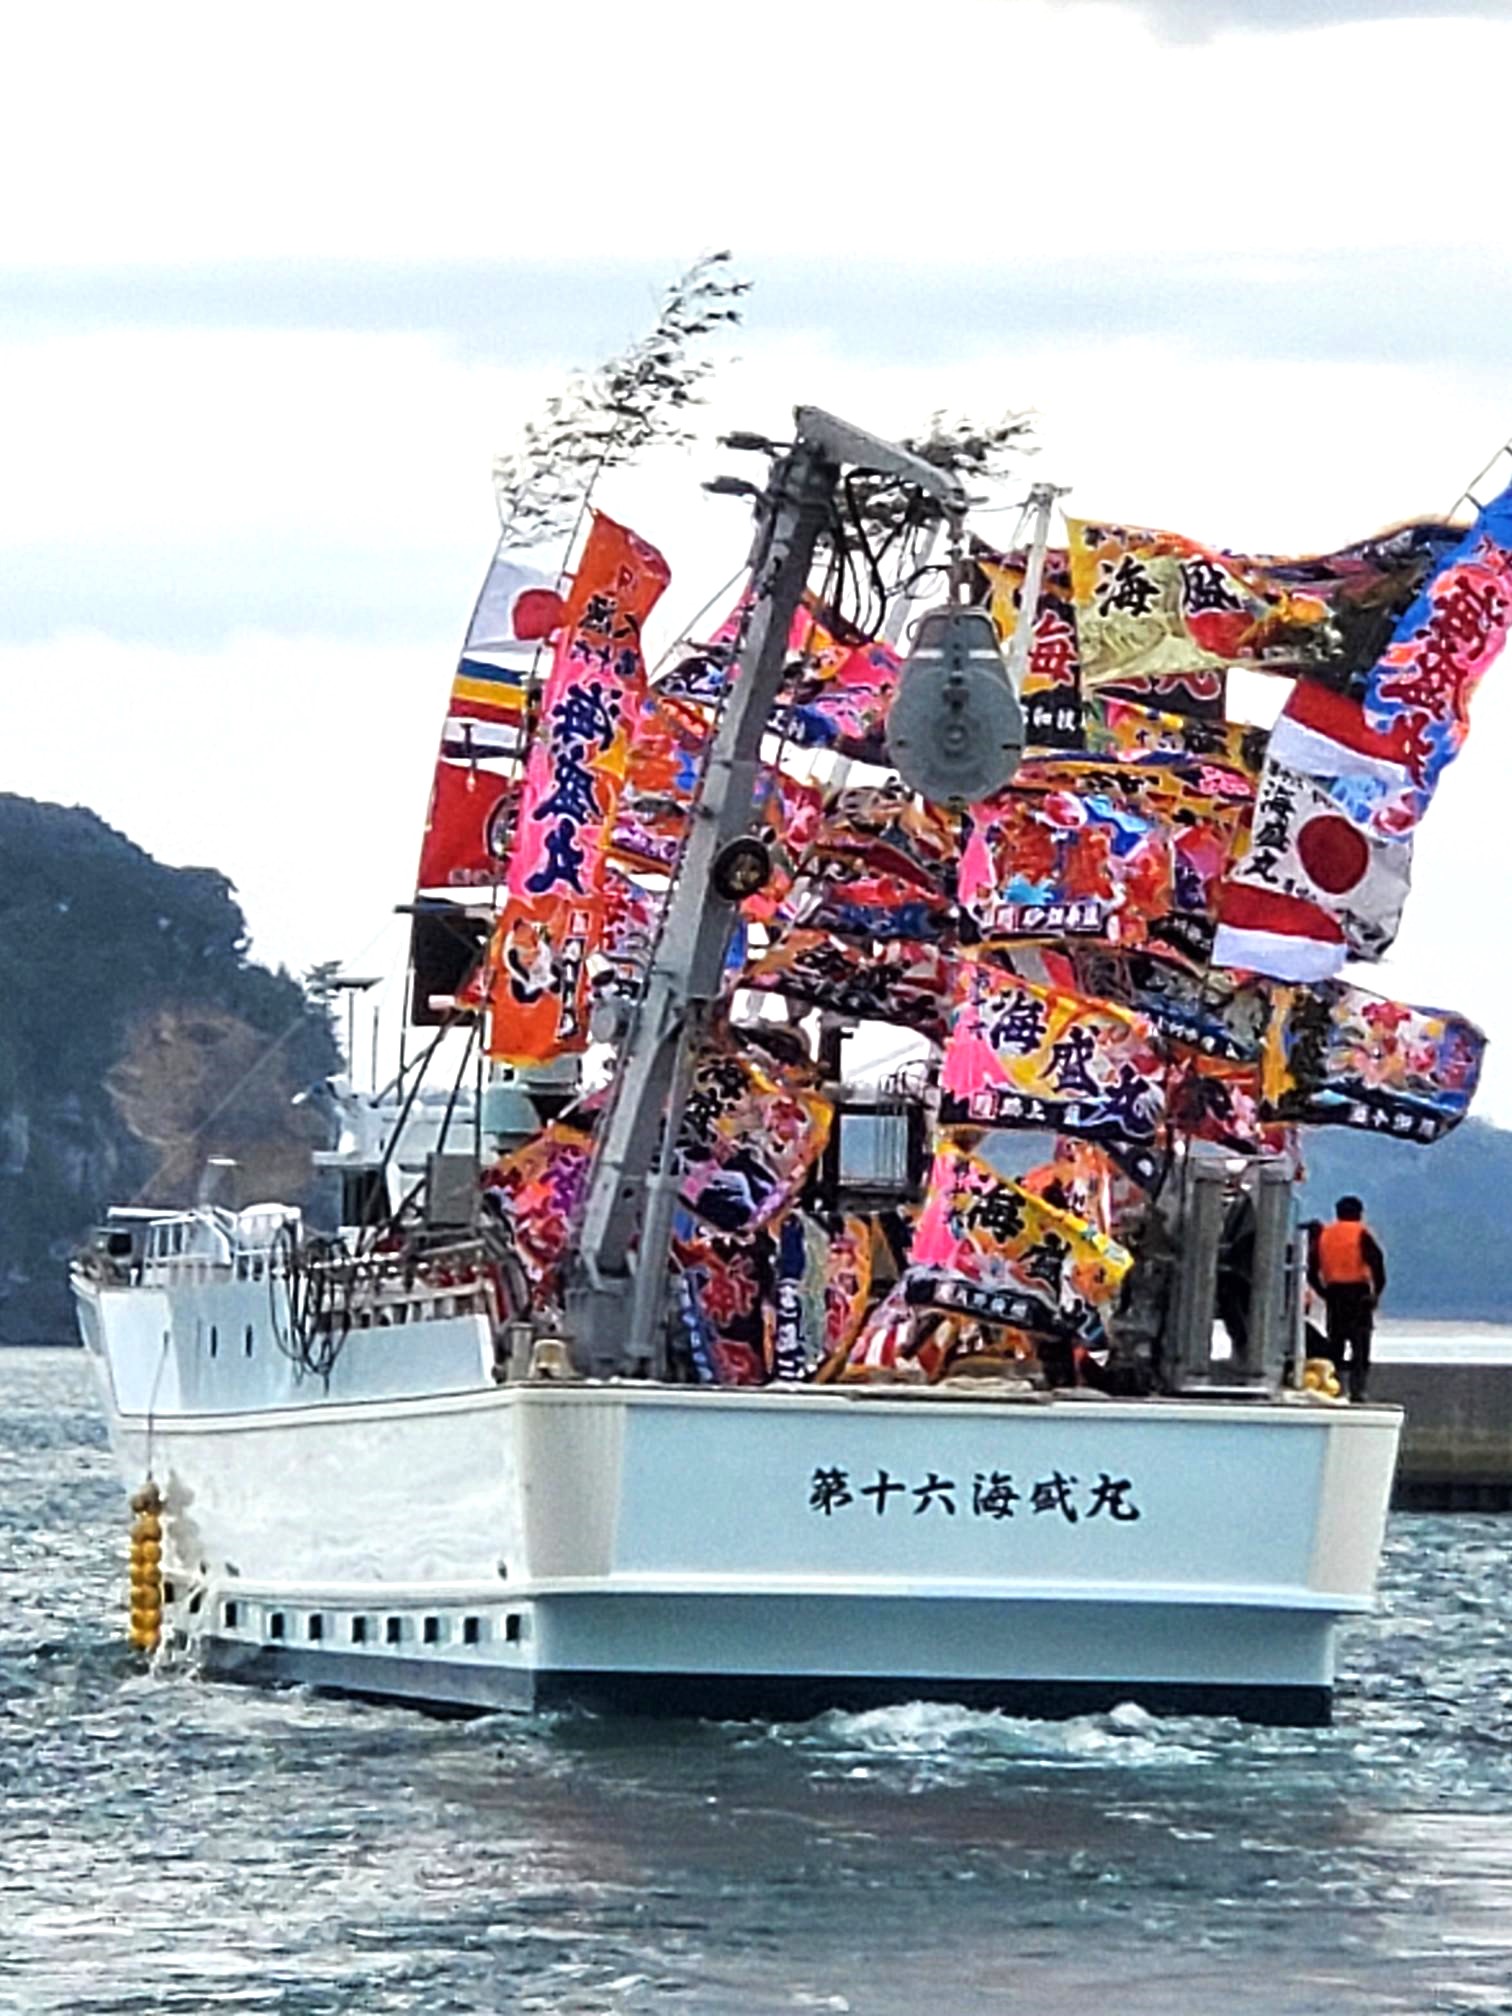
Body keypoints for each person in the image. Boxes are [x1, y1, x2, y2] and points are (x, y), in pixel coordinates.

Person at [1313, 1195, 1387, 1402]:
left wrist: (1323, 1292)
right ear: (1360, 1213)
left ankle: (1334, 1387)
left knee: (1335, 1344)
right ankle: (1358, 1391)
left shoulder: (1325, 1236)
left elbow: (1311, 1271)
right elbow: (1377, 1264)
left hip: (1335, 1295)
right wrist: (1375, 1294)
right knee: (1360, 1347)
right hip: (1358, 1294)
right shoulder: (1362, 1234)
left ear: (1337, 1213)